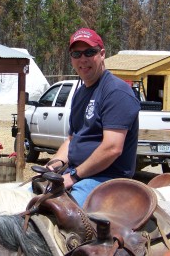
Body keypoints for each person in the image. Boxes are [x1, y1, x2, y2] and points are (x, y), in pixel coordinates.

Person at [48, 28, 140, 207]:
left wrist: (73, 176)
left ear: (102, 54)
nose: (83, 59)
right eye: (77, 53)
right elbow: (72, 139)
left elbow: (112, 147)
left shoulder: (116, 92)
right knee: (28, 200)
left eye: (90, 52)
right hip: (77, 174)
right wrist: (53, 166)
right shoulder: (81, 92)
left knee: (66, 212)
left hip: (106, 179)